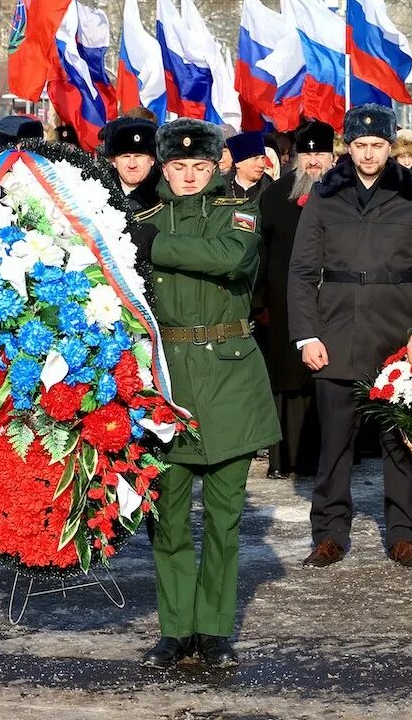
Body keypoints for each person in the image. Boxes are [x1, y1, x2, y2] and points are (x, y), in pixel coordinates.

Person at [126, 119, 278, 670]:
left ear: (216, 166)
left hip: (229, 377)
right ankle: (176, 629)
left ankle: (214, 629)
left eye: (198, 166)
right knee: (165, 516)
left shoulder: (238, 210)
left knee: (223, 517)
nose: (188, 176)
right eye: (177, 167)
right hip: (165, 379)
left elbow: (229, 259)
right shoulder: (136, 220)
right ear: (163, 168)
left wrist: (158, 245)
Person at [287, 105, 412, 571]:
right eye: (359, 146)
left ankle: (402, 535)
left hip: (398, 335)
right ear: (347, 147)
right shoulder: (325, 194)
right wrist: (306, 336)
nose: (368, 154)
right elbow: (300, 272)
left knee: (400, 445)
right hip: (336, 329)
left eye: (377, 146)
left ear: (391, 146)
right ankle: (329, 534)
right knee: (334, 443)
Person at [255, 120, 333, 479]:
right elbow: (260, 252)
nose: (313, 161)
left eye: (320, 154)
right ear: (295, 158)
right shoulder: (275, 195)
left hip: (333, 301)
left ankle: (325, 457)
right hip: (283, 300)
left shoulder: (344, 192)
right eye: (307, 154)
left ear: (333, 156)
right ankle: (282, 459)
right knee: (285, 383)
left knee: (326, 381)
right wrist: (260, 302)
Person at [101, 117, 160, 211]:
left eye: (139, 156)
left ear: (152, 160)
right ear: (113, 161)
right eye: (125, 156)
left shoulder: (165, 200)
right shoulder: (97, 198)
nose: (132, 165)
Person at [225, 130, 271, 201]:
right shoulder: (220, 188)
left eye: (263, 159)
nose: (262, 165)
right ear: (238, 163)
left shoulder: (271, 189)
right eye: (255, 159)